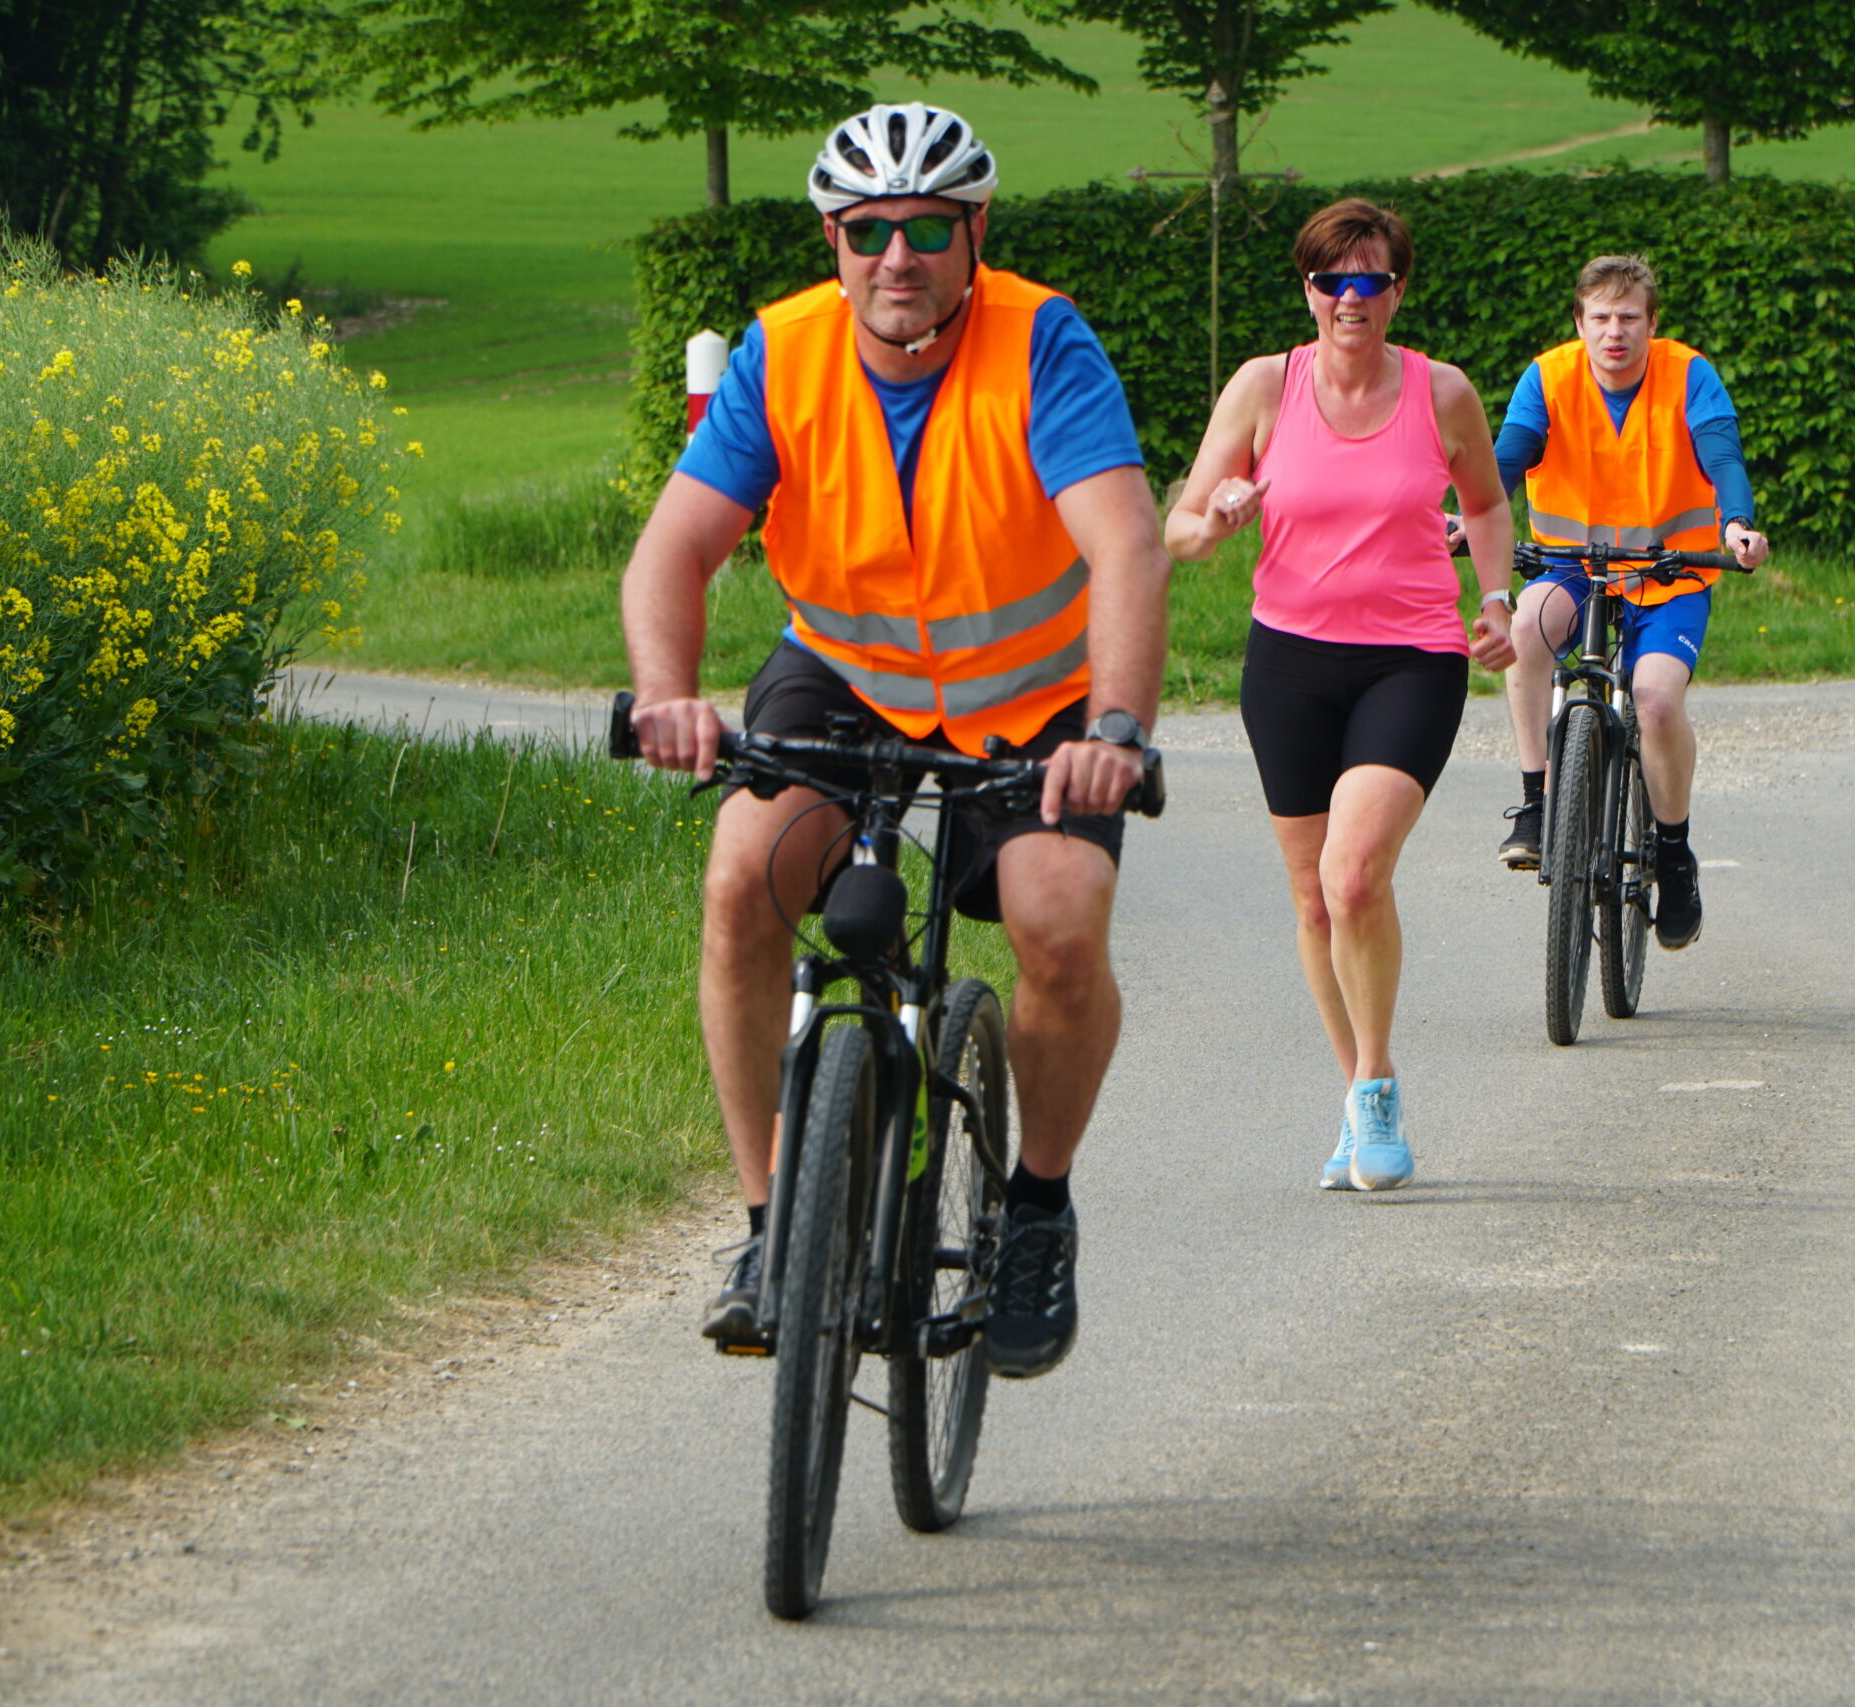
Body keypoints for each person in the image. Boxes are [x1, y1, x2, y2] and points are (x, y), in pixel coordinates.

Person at [618, 102, 1168, 1379]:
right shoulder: (783, 353)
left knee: (1056, 921)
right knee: (741, 883)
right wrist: (665, 694)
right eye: (868, 231)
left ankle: (1036, 1208)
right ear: (834, 240)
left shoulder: (1042, 343)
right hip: (847, 673)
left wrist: (1115, 728)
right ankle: (770, 1227)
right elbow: (674, 548)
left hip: (1037, 696)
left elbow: (1126, 546)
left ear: (975, 232)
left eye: (927, 228)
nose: (897, 256)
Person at [1166, 198, 1516, 1193]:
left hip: (1412, 656)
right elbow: (1180, 530)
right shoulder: (1262, 388)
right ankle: (1359, 1089)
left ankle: (1375, 1086)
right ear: (1308, 290)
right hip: (1289, 662)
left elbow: (1487, 503)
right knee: (1312, 900)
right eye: (1331, 281)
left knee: (1353, 875)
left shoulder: (1441, 392)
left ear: (1398, 291)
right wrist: (1219, 517)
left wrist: (1496, 598)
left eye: (1370, 281)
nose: (1349, 300)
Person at [1489, 255, 1769, 950]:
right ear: (1579, 322)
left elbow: (1722, 457)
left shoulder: (1688, 374)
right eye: (1601, 318)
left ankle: (1672, 854)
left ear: (1652, 323)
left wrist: (1736, 523)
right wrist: (1470, 515)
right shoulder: (1548, 377)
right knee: (1525, 633)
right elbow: (1507, 457)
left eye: (1629, 318)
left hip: (1670, 575)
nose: (1614, 332)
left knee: (1656, 699)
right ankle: (1536, 803)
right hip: (1573, 566)